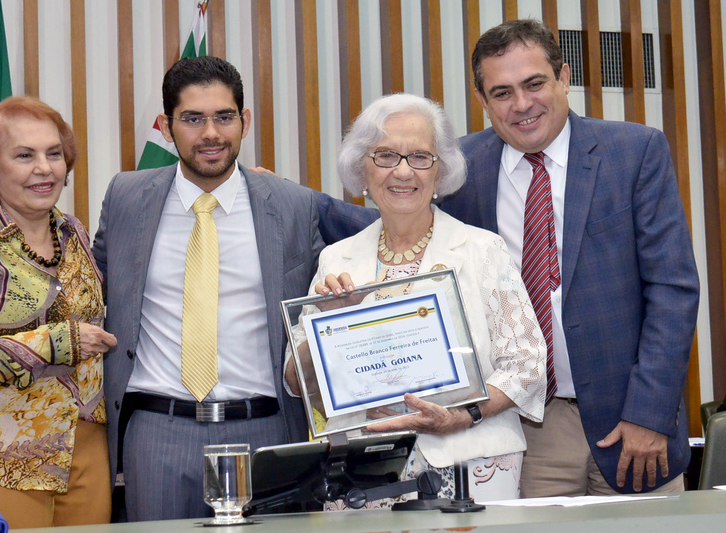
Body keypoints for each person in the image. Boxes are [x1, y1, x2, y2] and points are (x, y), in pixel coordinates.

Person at [91, 56, 368, 521]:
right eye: (192, 119)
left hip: (267, 432)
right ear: (166, 126)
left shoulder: (293, 205)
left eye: (224, 117)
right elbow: (91, 283)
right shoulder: (126, 197)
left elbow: (361, 253)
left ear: (245, 122)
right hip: (157, 434)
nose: (210, 133)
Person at [435, 19, 699, 496]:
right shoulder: (459, 169)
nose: (521, 104)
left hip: (633, 422)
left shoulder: (634, 152)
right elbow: (399, 221)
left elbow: (672, 291)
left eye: (534, 83)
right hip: (529, 426)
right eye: (502, 92)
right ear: (481, 100)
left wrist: (650, 412)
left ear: (564, 77)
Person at [286, 93, 547, 504]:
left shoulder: (482, 250)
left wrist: (462, 415)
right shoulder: (336, 258)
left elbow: (527, 365)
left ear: (440, 172)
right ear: (362, 169)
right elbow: (296, 380)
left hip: (469, 460)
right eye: (386, 155)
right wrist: (324, 325)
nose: (404, 171)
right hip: (363, 470)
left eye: (420, 157)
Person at [0, 96, 117, 528]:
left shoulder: (74, 232)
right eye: (25, 156)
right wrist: (52, 343)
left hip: (86, 448)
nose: (44, 168)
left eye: (54, 154)